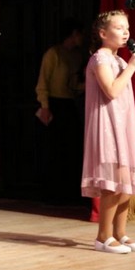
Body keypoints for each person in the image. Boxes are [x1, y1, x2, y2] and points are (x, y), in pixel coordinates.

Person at [81, 10, 135, 254]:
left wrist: (134, 135)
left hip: (123, 127)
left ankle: (120, 233)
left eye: (127, 28)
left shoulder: (119, 61)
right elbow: (111, 90)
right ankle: (103, 237)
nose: (125, 32)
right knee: (113, 184)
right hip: (107, 127)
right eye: (119, 28)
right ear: (102, 33)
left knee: (127, 183)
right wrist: (133, 66)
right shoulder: (100, 58)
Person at [35, 17, 86, 204]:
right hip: (54, 104)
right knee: (55, 150)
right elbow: (43, 82)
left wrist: (87, 85)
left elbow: (73, 86)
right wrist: (45, 106)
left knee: (72, 149)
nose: (83, 37)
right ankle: (53, 194)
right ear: (74, 33)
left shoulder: (77, 55)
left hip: (69, 104)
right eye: (80, 33)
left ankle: (70, 193)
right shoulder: (53, 53)